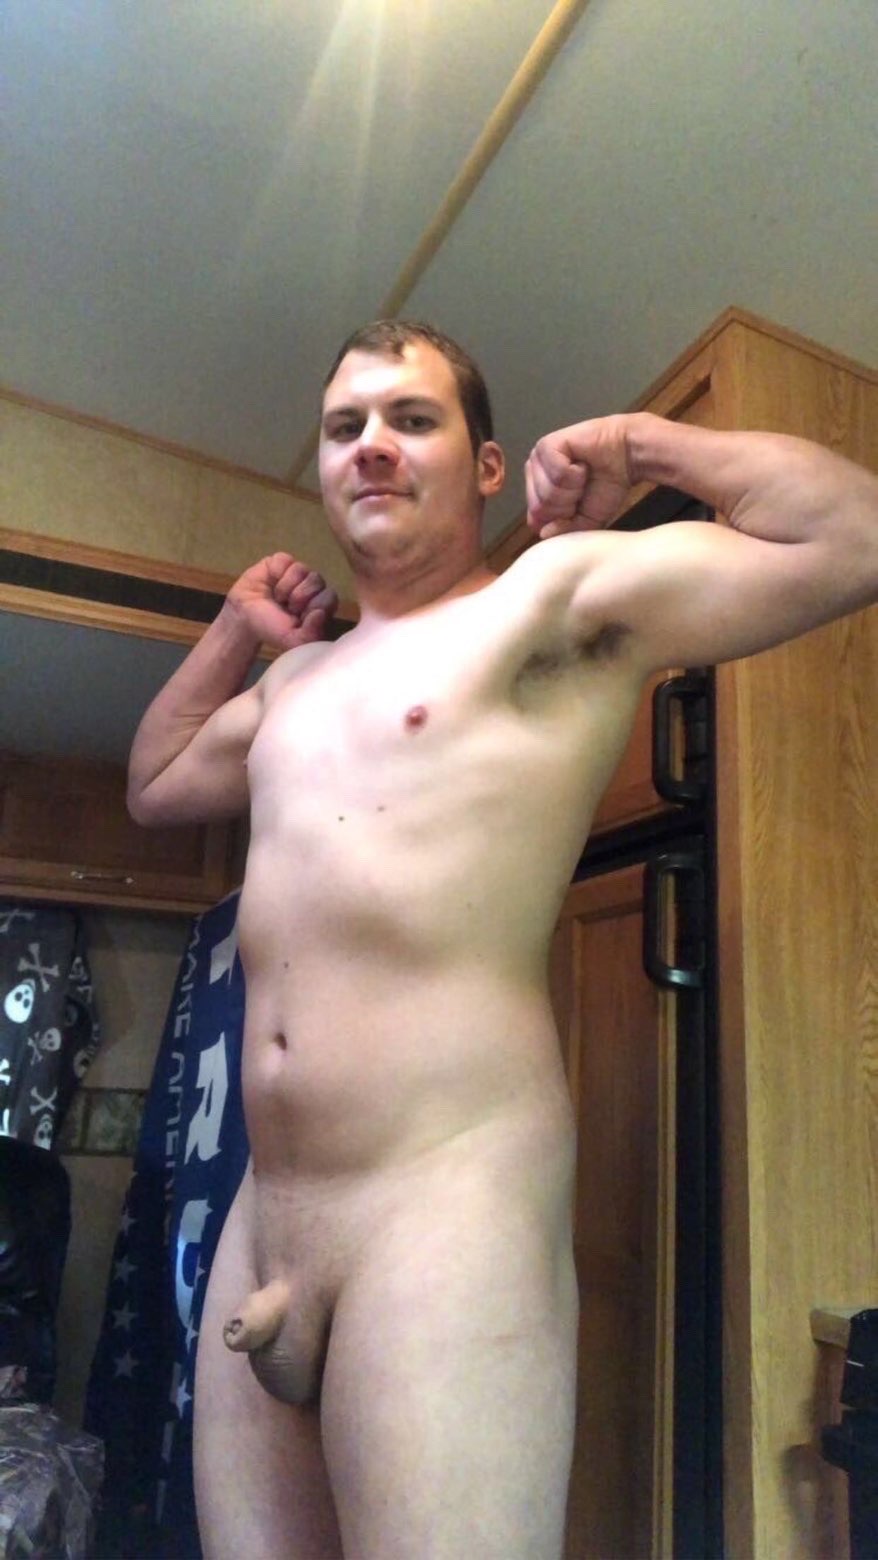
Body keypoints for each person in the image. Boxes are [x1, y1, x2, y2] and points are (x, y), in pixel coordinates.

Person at [127, 319, 878, 1560]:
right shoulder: (293, 686)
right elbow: (155, 784)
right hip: (267, 1217)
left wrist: (642, 444)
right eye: (344, 428)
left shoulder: (548, 602)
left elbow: (850, 534)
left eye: (410, 420)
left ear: (486, 467)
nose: (370, 446)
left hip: (439, 1207)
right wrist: (233, 631)